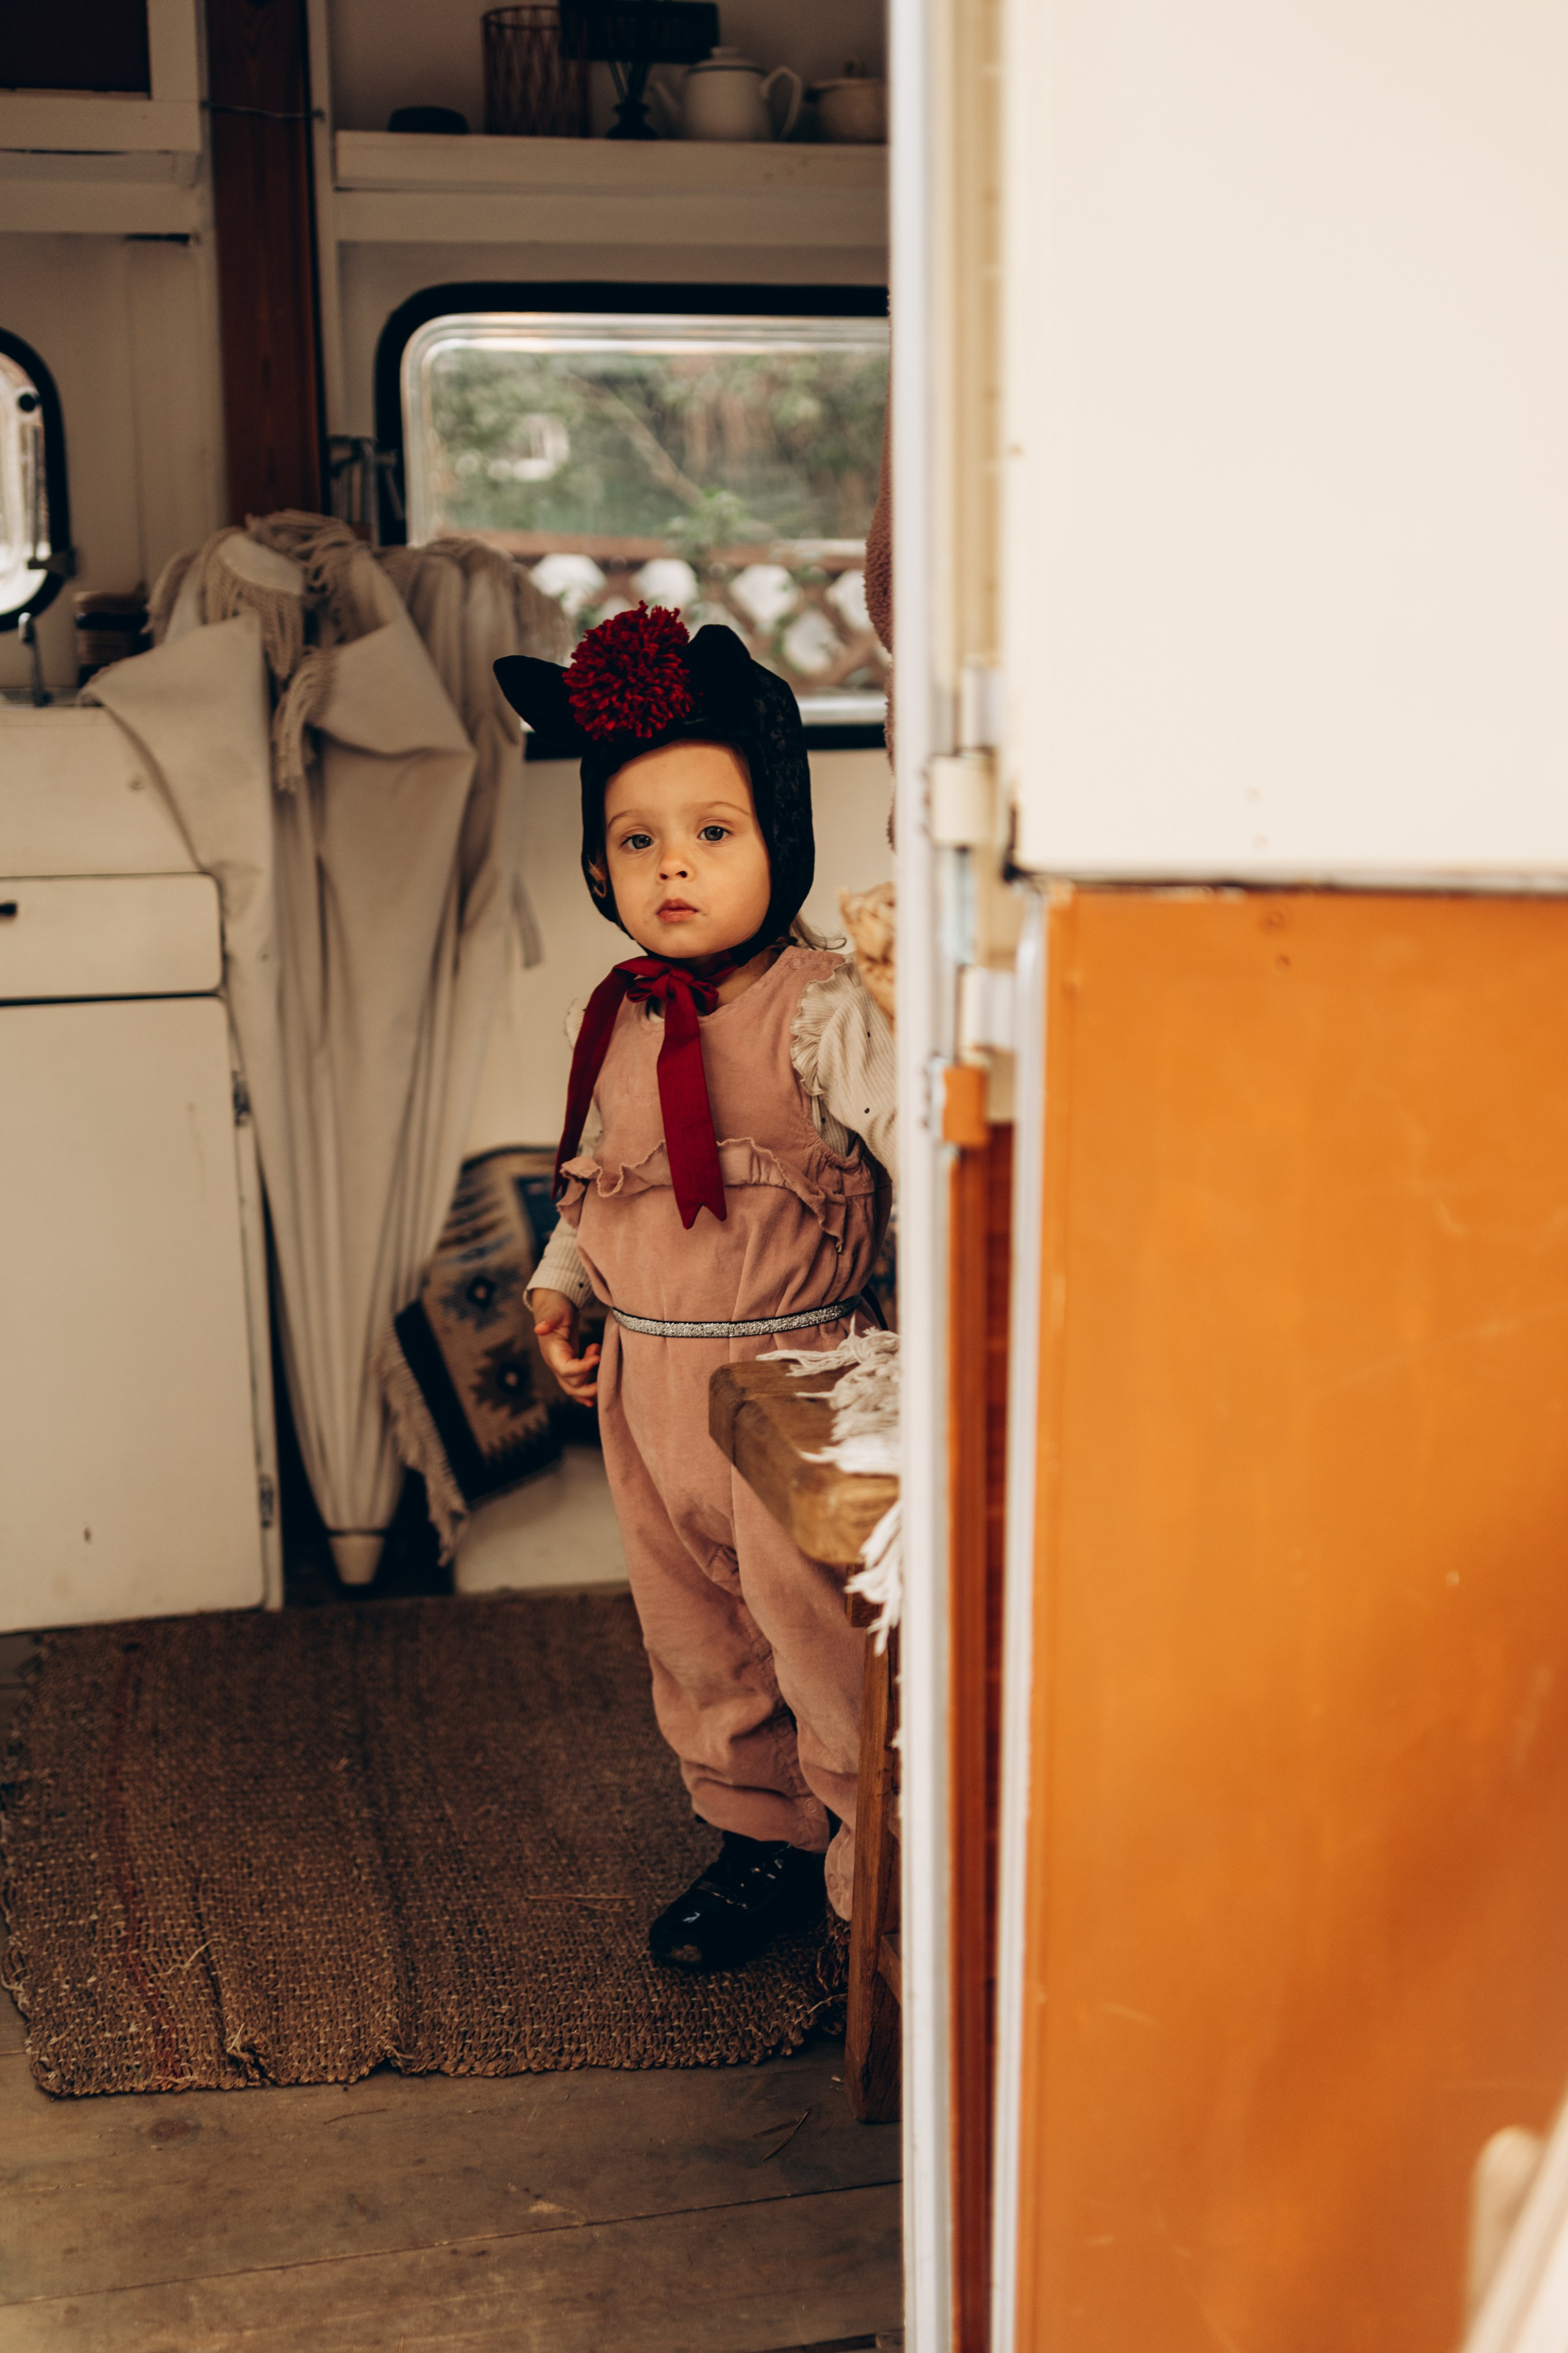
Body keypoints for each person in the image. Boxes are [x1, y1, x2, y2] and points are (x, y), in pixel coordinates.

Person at [494, 605, 895, 1973]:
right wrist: (563, 1289)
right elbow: (589, 1181)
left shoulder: (831, 1011)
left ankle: (871, 1854)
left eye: (713, 832)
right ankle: (758, 1838)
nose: (673, 867)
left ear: (778, 835)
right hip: (648, 1389)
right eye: (636, 840)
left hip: (798, 1383)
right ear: (599, 865)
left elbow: (922, 1159)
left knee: (819, 1637)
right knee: (700, 1642)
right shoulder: (603, 1017)